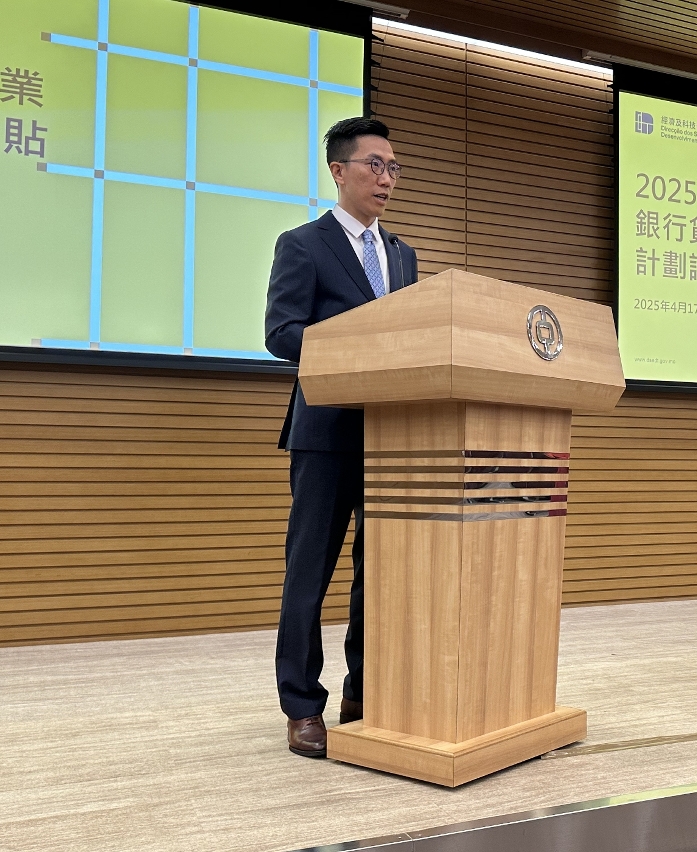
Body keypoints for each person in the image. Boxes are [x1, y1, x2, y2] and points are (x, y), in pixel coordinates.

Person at [264, 117, 418, 758]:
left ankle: (363, 691)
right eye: (374, 165)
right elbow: (281, 333)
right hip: (326, 433)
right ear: (339, 170)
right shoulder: (304, 244)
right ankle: (302, 705)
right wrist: (360, 344)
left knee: (377, 574)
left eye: (392, 168)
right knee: (310, 572)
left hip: (393, 437)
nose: (386, 178)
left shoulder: (402, 254)